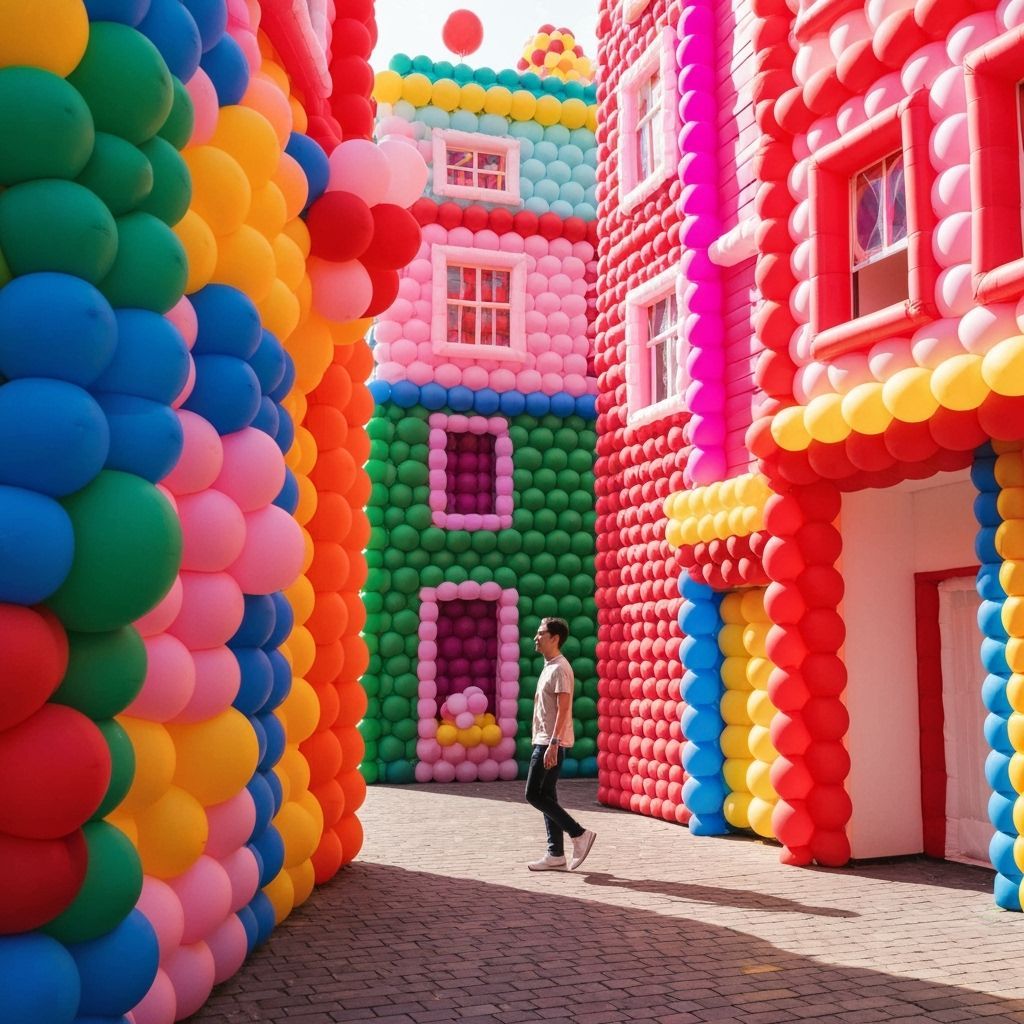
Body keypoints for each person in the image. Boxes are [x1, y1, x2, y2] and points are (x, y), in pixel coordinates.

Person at [524, 616, 596, 871]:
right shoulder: (549, 666)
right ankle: (555, 854)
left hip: (550, 742)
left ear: (555, 638)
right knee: (547, 796)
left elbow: (564, 708)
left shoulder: (560, 668)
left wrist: (553, 743)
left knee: (533, 794)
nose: (536, 637)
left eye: (541, 633)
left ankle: (579, 834)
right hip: (545, 739)